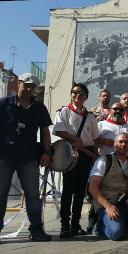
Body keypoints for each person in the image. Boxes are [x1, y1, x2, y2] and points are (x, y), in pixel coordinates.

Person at [0, 73, 52, 241]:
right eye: (27, 84)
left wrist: (47, 152)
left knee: (32, 195)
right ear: (19, 84)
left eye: (33, 86)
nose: (29, 88)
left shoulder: (39, 108)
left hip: (29, 158)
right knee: (1, 194)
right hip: (4, 157)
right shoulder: (3, 104)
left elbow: (45, 132)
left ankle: (36, 230)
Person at [53, 82, 99, 238]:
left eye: (81, 93)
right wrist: (74, 140)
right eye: (74, 92)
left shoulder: (91, 117)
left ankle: (75, 225)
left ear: (86, 97)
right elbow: (58, 130)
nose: (77, 95)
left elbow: (94, 139)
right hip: (70, 154)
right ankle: (64, 226)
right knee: (67, 192)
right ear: (71, 94)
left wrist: (94, 156)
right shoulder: (64, 111)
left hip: (86, 155)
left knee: (80, 192)